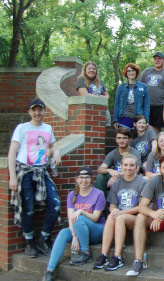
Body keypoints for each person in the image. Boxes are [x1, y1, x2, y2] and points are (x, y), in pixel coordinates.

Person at [8, 99, 61, 258]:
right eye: (34, 110)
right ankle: (29, 241)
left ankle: (44, 238)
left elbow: (52, 147)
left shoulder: (48, 128)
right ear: (29, 112)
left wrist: (56, 152)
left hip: (42, 172)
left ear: (45, 111)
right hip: (25, 172)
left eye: (40, 110)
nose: (37, 113)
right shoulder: (22, 128)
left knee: (56, 205)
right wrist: (12, 178)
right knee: (28, 209)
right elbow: (12, 152)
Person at [126, 156, 164, 278]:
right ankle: (138, 261)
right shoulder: (154, 181)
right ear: (159, 169)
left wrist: (161, 214)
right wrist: (153, 214)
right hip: (155, 217)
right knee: (140, 217)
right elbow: (142, 206)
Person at [42, 167, 105, 281]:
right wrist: (74, 236)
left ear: (91, 180)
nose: (84, 180)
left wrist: (81, 211)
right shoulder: (72, 195)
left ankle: (85, 252)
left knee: (78, 217)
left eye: (87, 177)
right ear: (76, 179)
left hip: (98, 230)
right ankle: (49, 271)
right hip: (79, 230)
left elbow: (95, 218)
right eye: (81, 177)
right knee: (63, 233)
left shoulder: (98, 194)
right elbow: (71, 218)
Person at [93, 154, 147, 271]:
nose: (128, 168)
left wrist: (121, 213)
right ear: (121, 166)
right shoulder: (117, 183)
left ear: (136, 167)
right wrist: (115, 211)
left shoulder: (142, 182)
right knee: (111, 216)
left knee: (119, 218)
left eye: (132, 165)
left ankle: (118, 257)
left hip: (136, 219)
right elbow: (112, 206)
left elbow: (141, 208)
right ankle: (104, 254)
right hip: (121, 216)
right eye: (126, 165)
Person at [96, 128, 142, 196]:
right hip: (117, 178)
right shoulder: (113, 153)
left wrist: (116, 177)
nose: (121, 141)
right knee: (101, 177)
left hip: (130, 178)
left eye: (124, 138)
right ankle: (101, 201)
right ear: (116, 140)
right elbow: (100, 169)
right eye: (119, 138)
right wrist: (109, 170)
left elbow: (136, 171)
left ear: (129, 140)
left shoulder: (135, 152)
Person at [139, 52, 164, 134]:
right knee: (144, 125)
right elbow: (140, 86)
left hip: (160, 105)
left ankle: (156, 145)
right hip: (146, 105)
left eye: (159, 59)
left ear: (163, 60)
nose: (157, 61)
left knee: (156, 128)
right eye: (155, 59)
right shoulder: (147, 71)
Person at [113, 63, 150, 130]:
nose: (131, 73)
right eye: (129, 71)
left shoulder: (143, 87)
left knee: (136, 139)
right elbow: (117, 104)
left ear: (136, 72)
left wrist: (146, 120)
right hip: (124, 117)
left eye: (133, 71)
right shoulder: (121, 87)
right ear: (126, 73)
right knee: (124, 138)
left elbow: (146, 105)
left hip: (138, 118)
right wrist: (115, 120)